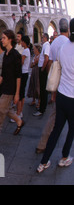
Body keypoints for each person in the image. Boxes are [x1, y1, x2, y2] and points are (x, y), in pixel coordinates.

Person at [37, 18, 74, 173]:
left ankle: (43, 162)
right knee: (71, 129)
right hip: (72, 97)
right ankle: (65, 157)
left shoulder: (63, 47)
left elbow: (59, 68)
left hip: (61, 95)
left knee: (57, 129)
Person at [14, 35, 31, 122]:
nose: (21, 43)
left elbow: (22, 62)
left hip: (23, 73)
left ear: (24, 42)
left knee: (20, 94)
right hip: (25, 73)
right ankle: (20, 112)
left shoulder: (25, 51)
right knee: (22, 93)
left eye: (22, 42)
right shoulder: (27, 51)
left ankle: (18, 113)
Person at [34, 33, 51, 116]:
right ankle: (41, 107)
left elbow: (46, 58)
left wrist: (43, 68)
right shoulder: (45, 45)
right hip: (42, 69)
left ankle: (42, 109)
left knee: (43, 90)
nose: (41, 38)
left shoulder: (46, 45)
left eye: (42, 37)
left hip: (43, 70)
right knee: (42, 89)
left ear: (45, 38)